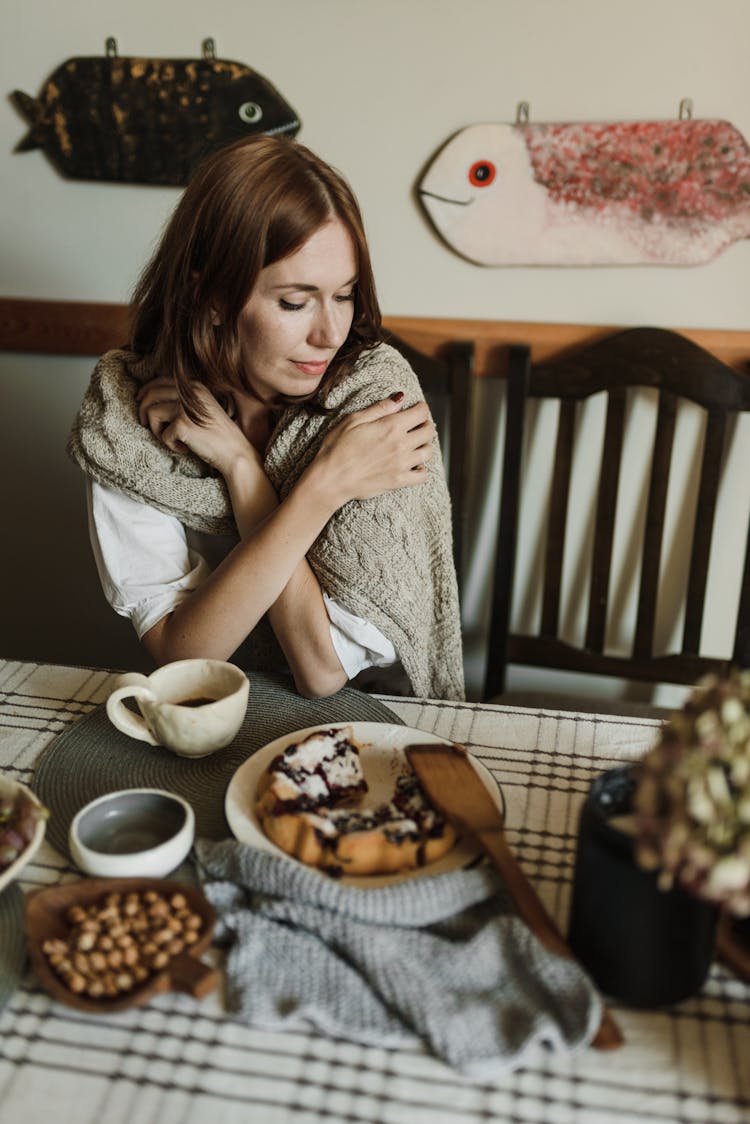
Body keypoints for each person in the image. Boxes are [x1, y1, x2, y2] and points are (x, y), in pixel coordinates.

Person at [68, 135, 465, 701]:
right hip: (216, 710)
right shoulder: (127, 424)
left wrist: (242, 468)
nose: (330, 334)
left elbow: (321, 669)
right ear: (210, 298)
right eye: (294, 302)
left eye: (345, 295)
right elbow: (183, 654)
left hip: (380, 709)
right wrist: (305, 482)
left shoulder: (375, 395)